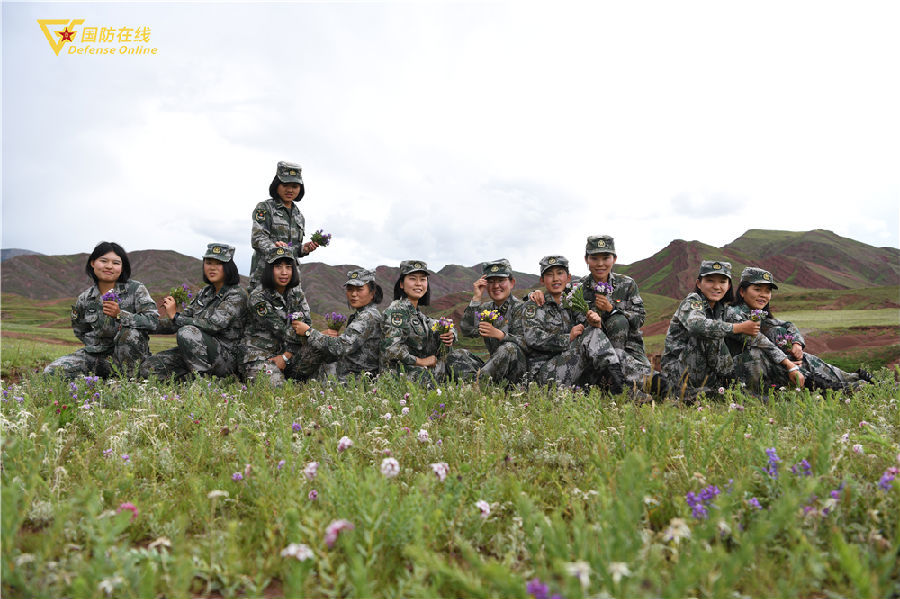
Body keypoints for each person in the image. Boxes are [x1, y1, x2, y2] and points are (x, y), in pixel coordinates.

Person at [528, 236, 654, 389]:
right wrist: (533, 294)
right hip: (596, 350)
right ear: (586, 260)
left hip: (628, 347)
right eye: (594, 258)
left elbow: (639, 319)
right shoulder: (577, 288)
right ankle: (619, 387)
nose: (600, 264)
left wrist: (613, 309)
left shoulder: (626, 284)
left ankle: (656, 386)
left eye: (606, 258)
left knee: (619, 323)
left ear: (614, 259)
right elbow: (555, 292)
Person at [726, 267, 869, 391]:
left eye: (767, 291)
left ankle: (852, 378)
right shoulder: (732, 314)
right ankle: (825, 387)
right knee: (761, 351)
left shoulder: (760, 315)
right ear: (742, 292)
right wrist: (788, 363)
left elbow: (788, 325)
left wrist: (797, 344)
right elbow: (759, 341)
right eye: (757, 289)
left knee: (784, 336)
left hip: (769, 368)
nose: (763, 295)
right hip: (742, 372)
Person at [507, 255, 625, 392]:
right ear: (542, 280)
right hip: (546, 373)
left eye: (560, 273)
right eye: (550, 275)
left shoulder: (574, 304)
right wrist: (568, 337)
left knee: (594, 332)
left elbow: (591, 338)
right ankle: (619, 387)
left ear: (568, 278)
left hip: (574, 366)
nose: (555, 279)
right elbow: (533, 338)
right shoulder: (534, 305)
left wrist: (596, 324)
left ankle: (618, 384)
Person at [44, 242, 158, 379]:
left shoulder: (136, 289)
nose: (109, 266)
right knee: (51, 373)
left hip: (130, 358)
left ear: (122, 268)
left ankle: (129, 380)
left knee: (130, 332)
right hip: (95, 356)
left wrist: (120, 315)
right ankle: (99, 381)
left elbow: (153, 321)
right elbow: (80, 330)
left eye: (116, 263)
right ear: (93, 263)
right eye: (103, 261)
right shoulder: (85, 298)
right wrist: (95, 346)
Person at [142, 243, 248, 380]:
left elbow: (213, 325)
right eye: (209, 262)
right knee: (148, 368)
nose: (212, 268)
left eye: (219, 263)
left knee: (187, 332)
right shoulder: (204, 293)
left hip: (226, 358)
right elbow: (176, 322)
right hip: (195, 353)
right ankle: (191, 378)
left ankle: (204, 382)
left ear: (228, 267)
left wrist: (176, 316)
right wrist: (145, 324)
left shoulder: (236, 294)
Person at [661, 260, 760, 397]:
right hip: (678, 373)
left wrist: (787, 362)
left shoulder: (722, 309)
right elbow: (697, 326)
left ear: (729, 285)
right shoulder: (693, 301)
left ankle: (745, 387)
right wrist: (738, 327)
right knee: (710, 333)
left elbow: (752, 334)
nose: (716, 287)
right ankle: (732, 388)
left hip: (705, 372)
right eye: (710, 281)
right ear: (699, 284)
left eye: (722, 282)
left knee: (745, 344)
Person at [381, 260, 483, 385]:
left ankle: (483, 382)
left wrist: (450, 333)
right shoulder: (396, 312)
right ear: (401, 284)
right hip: (401, 374)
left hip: (418, 371)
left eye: (423, 279)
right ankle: (480, 385)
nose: (418, 284)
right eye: (413, 279)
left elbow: (436, 324)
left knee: (460, 355)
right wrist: (421, 361)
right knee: (455, 365)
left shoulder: (417, 314)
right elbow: (392, 349)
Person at [290, 268, 384, 381]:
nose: (354, 294)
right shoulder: (363, 314)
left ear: (372, 293)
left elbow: (340, 347)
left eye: (360, 289)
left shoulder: (367, 317)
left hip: (354, 380)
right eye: (350, 289)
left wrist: (309, 332)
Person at [239, 247, 311, 387]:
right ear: (269, 270)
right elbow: (283, 330)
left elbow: (308, 325)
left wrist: (287, 355)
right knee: (279, 392)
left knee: (325, 349)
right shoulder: (258, 298)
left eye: (288, 267)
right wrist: (308, 333)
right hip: (260, 357)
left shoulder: (296, 294)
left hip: (287, 354)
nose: (284, 272)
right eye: (278, 267)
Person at [249, 161, 319, 288]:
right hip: (265, 277)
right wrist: (275, 248)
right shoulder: (265, 208)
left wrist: (304, 249)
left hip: (290, 280)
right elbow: (257, 239)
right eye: (285, 184)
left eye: (295, 186)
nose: (290, 190)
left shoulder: (299, 216)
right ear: (277, 184)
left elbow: (293, 249)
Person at [459, 259, 526, 385]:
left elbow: (529, 344)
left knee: (509, 349)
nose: (496, 286)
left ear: (512, 283)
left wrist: (501, 335)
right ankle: (478, 385)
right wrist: (476, 298)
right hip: (493, 369)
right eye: (491, 281)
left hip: (516, 374)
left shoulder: (522, 308)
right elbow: (467, 330)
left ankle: (475, 387)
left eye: (501, 281)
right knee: (458, 354)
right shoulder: (486, 309)